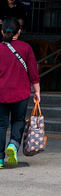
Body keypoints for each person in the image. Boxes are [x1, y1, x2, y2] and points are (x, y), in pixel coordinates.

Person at [0, 17, 40, 168]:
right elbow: (33, 73)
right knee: (18, 121)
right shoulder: (26, 48)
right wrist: (37, 91)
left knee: (1, 125)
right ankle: (13, 145)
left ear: (2, 31)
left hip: (1, 93)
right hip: (21, 93)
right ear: (19, 32)